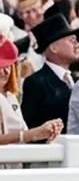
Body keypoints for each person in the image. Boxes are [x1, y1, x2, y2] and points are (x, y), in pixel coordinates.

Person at [0, 38, 59, 166]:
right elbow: (25, 135)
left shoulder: (10, 97)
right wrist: (31, 134)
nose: (5, 71)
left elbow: (24, 136)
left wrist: (45, 133)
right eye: (0, 66)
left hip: (14, 169)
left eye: (8, 66)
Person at [21, 12, 78, 129]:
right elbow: (30, 126)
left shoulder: (78, 80)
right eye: (71, 40)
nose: (77, 44)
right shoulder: (36, 82)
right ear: (53, 48)